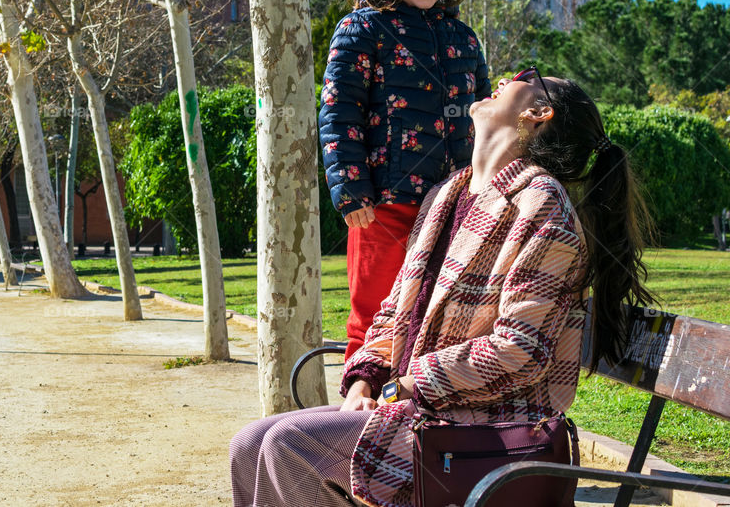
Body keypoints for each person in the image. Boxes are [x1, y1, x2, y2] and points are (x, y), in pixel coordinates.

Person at [232, 69, 654, 507]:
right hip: (418, 410)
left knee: (290, 447)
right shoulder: (446, 194)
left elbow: (520, 349)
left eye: (524, 76)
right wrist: (365, 382)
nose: (507, 76)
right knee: (248, 444)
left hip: (484, 429)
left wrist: (404, 387)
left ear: (537, 113)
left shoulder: (542, 205)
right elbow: (394, 311)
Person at [318, 0, 491, 359]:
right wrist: (350, 189)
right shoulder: (361, 30)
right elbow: (340, 112)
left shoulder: (464, 39)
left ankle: (425, 420)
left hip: (455, 207)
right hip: (383, 208)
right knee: (375, 319)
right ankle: (362, 411)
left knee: (444, 319)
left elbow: (483, 119)